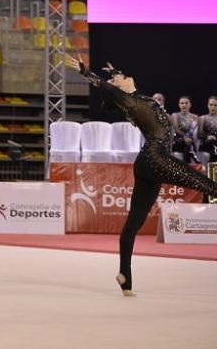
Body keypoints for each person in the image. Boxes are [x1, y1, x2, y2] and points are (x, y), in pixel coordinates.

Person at [66, 55, 217, 296]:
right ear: (120, 86)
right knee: (205, 183)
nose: (120, 77)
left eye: (120, 76)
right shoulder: (127, 100)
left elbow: (117, 81)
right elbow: (106, 87)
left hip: (147, 164)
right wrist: (86, 72)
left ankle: (124, 277)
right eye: (118, 78)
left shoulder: (136, 97)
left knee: (133, 223)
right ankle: (125, 275)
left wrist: (115, 72)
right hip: (154, 157)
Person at [170, 96, 200, 163]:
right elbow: (176, 129)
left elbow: (196, 132)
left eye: (186, 103)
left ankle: (188, 166)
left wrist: (189, 138)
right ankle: (196, 161)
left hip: (191, 141)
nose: (184, 105)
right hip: (178, 140)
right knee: (186, 145)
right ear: (179, 105)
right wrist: (185, 138)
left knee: (187, 147)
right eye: (182, 103)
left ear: (190, 105)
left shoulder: (195, 117)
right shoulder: (175, 115)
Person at [199, 96, 217, 163]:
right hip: (206, 142)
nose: (213, 107)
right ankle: (212, 168)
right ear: (208, 105)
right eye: (211, 105)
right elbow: (199, 134)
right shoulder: (203, 118)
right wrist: (208, 136)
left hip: (216, 142)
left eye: (215, 105)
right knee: (212, 144)